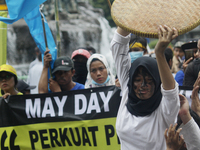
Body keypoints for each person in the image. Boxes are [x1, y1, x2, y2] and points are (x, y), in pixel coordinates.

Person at [110, 25, 179, 150]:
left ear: (158, 83)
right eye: (137, 80)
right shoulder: (128, 90)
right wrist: (132, 15)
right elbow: (118, 45)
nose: (142, 86)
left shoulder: (165, 110)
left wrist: (159, 53)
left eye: (149, 81)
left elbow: (171, 92)